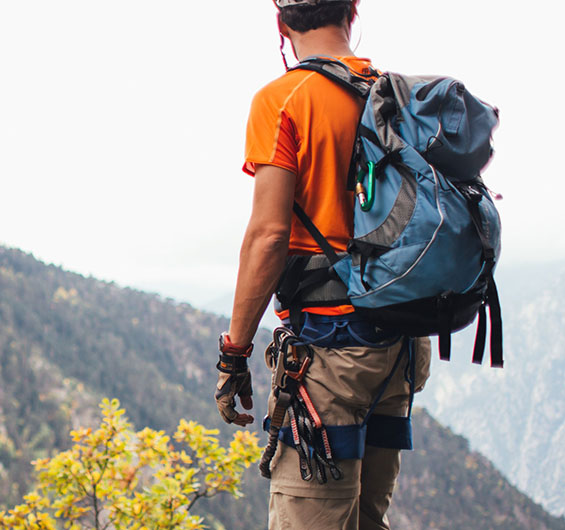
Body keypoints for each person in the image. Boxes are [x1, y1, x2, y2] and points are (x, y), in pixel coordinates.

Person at [213, 1, 430, 528]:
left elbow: (268, 236)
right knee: (366, 520)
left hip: (330, 355)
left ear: (281, 23)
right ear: (352, 13)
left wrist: (235, 352)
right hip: (401, 348)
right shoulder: (398, 95)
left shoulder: (283, 99)